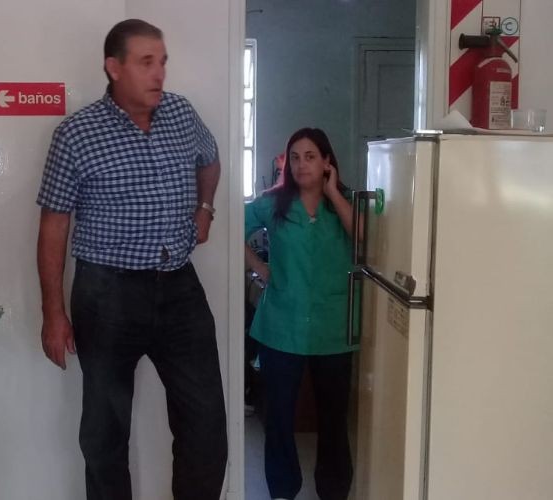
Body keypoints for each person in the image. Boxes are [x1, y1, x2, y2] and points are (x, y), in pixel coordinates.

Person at [36, 19, 227, 500]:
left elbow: (210, 159)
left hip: (179, 288)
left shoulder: (181, 114)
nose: (159, 73)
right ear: (114, 68)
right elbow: (54, 223)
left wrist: (204, 208)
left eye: (162, 62)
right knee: (105, 433)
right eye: (146, 62)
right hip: (107, 294)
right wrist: (53, 313)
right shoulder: (77, 134)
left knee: (206, 425)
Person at [244, 128, 358, 500]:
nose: (300, 164)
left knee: (334, 418)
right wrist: (260, 268)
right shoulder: (272, 204)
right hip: (282, 327)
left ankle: (333, 491)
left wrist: (332, 194)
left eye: (310, 156)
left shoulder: (347, 203)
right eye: (294, 157)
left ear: (327, 162)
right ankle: (282, 490)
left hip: (333, 329)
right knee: (279, 417)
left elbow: (366, 240)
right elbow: (232, 227)